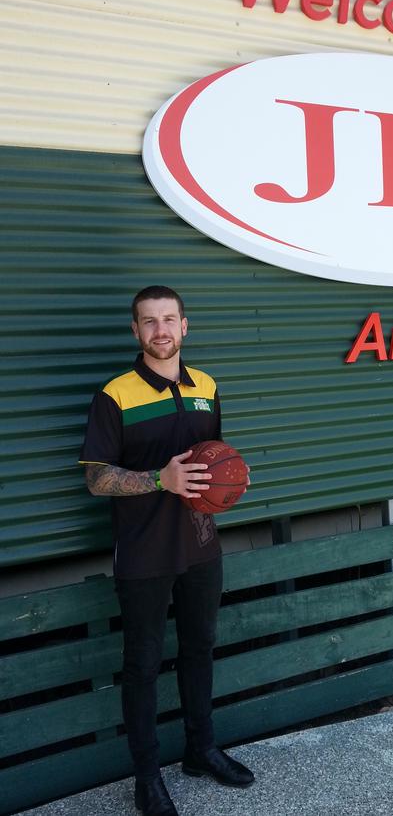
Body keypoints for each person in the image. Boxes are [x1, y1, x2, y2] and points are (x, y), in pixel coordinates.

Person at [79, 285, 254, 816]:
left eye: (169, 320)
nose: (160, 331)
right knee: (143, 665)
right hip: (144, 553)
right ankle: (147, 776)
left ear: (185, 326)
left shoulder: (207, 386)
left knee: (200, 649)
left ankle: (201, 750)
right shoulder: (115, 395)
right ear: (135, 331)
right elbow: (97, 479)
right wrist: (161, 478)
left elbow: (214, 459)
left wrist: (231, 480)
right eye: (149, 322)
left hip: (201, 545)